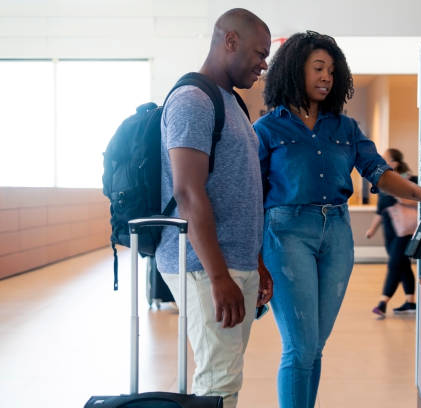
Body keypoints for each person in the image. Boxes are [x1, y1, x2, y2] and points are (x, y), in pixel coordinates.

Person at [253, 31, 421, 408]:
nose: (326, 77)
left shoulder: (345, 128)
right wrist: (253, 258)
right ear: (293, 70)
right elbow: (252, 196)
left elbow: (377, 171)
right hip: (286, 233)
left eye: (332, 71)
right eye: (318, 68)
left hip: (336, 235)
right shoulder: (268, 129)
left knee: (315, 346)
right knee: (300, 347)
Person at [154, 9, 273, 408]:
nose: (263, 64)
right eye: (259, 53)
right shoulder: (193, 100)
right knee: (219, 380)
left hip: (231, 263)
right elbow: (188, 193)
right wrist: (219, 276)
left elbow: (241, 188)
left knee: (224, 371)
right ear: (230, 41)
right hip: (202, 265)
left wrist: (255, 261)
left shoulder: (232, 103)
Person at [365, 148, 418, 317]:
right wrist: (372, 229)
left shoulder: (409, 180)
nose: (382, 160)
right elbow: (381, 210)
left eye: (385, 158)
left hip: (405, 229)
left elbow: (418, 202)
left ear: (394, 163)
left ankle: (383, 302)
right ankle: (410, 302)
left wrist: (397, 193)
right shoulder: (384, 182)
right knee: (402, 265)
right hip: (390, 229)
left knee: (394, 264)